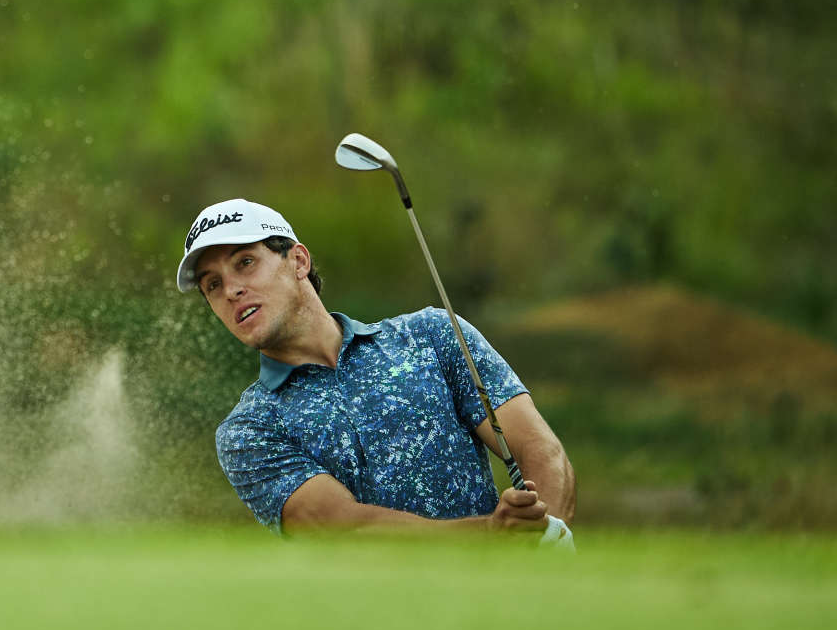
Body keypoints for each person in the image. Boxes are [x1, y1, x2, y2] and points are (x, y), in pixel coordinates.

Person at [177, 198, 575, 535]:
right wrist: (491, 536)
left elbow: (539, 447)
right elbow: (343, 528)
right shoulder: (248, 429)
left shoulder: (432, 335)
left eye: (246, 262)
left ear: (298, 261)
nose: (231, 290)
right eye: (213, 284)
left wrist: (547, 536)